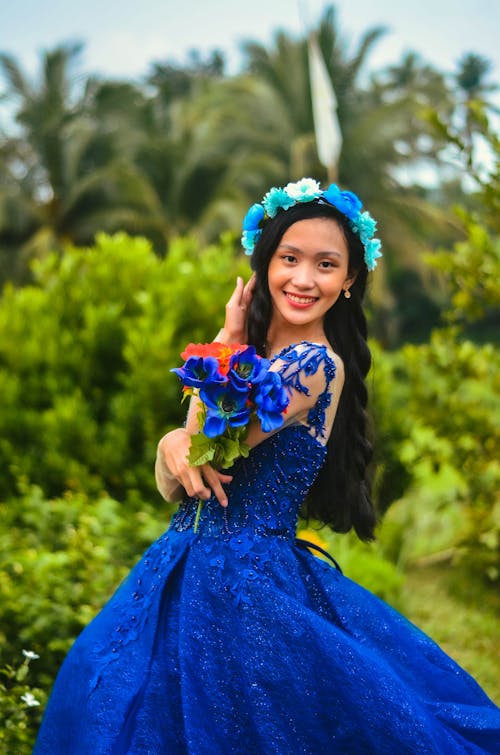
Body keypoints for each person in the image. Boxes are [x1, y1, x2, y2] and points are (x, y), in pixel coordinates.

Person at [34, 178, 499, 754]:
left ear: (349, 280)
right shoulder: (254, 359)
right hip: (183, 565)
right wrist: (168, 448)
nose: (304, 279)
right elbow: (177, 487)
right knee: (109, 697)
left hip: (245, 588)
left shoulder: (314, 364)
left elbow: (213, 444)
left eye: (326, 264)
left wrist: (220, 350)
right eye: (290, 258)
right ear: (266, 262)